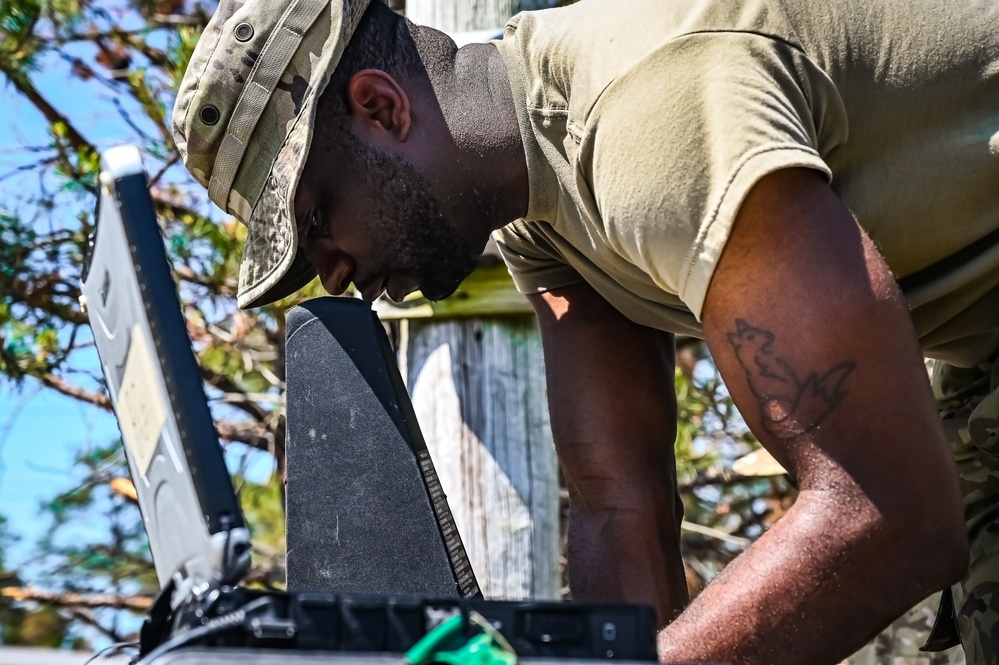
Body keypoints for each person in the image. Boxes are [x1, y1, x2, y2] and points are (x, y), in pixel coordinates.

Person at [171, 0, 999, 662]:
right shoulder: (537, 208)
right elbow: (619, 507)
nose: (334, 273)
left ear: (380, 106)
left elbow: (888, 514)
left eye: (317, 222)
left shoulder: (646, 114)